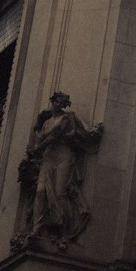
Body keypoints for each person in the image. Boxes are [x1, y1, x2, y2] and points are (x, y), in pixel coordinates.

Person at [22, 90, 103, 246]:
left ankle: (63, 230)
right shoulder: (46, 122)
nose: (57, 104)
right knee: (40, 192)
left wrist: (38, 148)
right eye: (55, 101)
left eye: (61, 102)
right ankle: (36, 229)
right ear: (52, 102)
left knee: (60, 193)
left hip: (63, 155)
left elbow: (54, 136)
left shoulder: (65, 118)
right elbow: (40, 133)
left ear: (64, 105)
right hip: (48, 156)